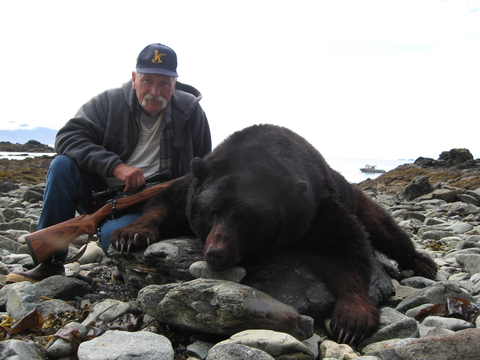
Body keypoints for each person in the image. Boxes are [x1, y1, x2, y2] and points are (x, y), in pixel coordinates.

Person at [7, 43, 211, 283]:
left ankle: (124, 266)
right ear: (134, 78)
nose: (155, 90)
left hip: (154, 205)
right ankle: (49, 264)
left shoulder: (191, 112)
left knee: (113, 240)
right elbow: (66, 137)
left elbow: (202, 169)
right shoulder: (108, 103)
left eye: (165, 83)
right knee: (62, 166)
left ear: (174, 84)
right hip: (100, 196)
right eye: (147, 81)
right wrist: (116, 167)